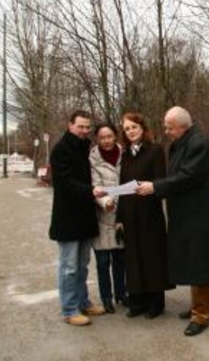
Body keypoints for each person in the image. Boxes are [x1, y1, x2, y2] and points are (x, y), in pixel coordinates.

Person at [136, 106, 209, 337]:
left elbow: (187, 177)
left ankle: (202, 315)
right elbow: (175, 175)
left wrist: (155, 187)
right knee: (192, 262)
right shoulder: (180, 143)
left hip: (200, 215)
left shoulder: (200, 144)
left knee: (202, 264)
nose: (166, 131)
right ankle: (197, 306)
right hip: (186, 214)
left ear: (183, 126)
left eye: (170, 127)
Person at [48, 110, 108, 326]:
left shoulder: (86, 148)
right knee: (69, 267)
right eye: (80, 126)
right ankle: (69, 309)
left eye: (87, 127)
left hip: (85, 216)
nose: (84, 130)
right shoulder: (61, 150)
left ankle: (83, 302)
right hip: (68, 218)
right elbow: (64, 183)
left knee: (82, 265)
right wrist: (91, 191)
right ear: (70, 124)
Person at [116, 112, 170, 319]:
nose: (130, 131)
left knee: (152, 256)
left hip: (149, 213)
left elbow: (161, 181)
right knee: (133, 258)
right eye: (127, 129)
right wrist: (120, 218)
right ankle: (137, 302)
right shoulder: (126, 155)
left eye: (134, 127)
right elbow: (122, 187)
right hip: (129, 214)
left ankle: (156, 303)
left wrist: (151, 188)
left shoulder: (155, 151)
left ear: (143, 129)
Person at [89, 123, 128, 313]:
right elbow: (95, 186)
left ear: (115, 136)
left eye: (109, 136)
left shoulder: (125, 155)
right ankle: (106, 298)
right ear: (97, 139)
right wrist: (105, 202)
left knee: (120, 260)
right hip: (102, 216)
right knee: (103, 262)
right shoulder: (92, 160)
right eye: (102, 137)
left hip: (122, 216)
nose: (106, 141)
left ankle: (122, 293)